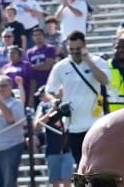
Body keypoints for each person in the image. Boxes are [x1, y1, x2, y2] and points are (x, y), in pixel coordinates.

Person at [46, 30, 110, 161]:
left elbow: (104, 80)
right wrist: (55, 101)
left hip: (95, 122)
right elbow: (49, 90)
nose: (75, 52)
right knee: (80, 164)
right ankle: (82, 183)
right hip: (73, 125)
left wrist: (88, 61)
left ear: (85, 46)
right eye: (71, 49)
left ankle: (100, 183)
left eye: (78, 48)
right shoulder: (61, 66)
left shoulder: (97, 62)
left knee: (98, 162)